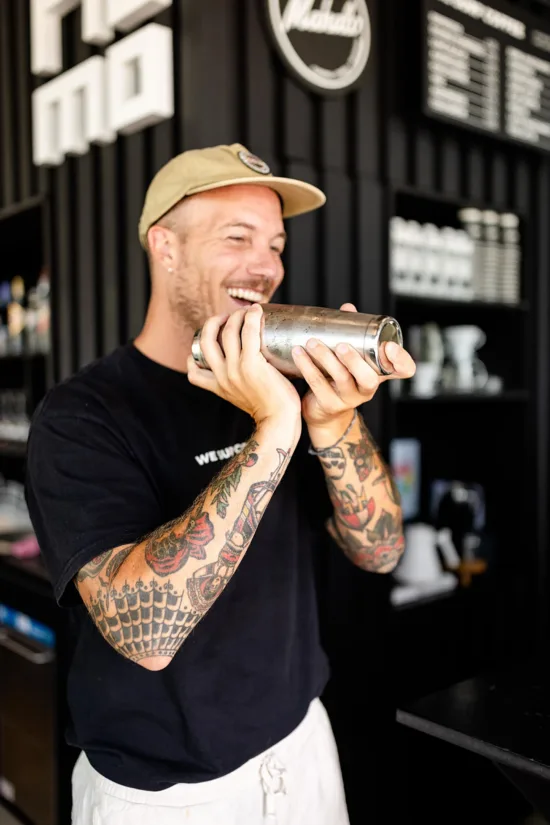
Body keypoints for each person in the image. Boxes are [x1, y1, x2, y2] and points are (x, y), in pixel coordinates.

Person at [25, 143, 416, 825]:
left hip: (301, 750)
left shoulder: (290, 388)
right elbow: (144, 632)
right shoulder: (83, 415)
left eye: (275, 243)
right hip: (164, 797)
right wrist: (273, 430)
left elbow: (380, 549)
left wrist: (333, 422)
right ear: (165, 246)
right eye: (237, 237)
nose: (266, 267)